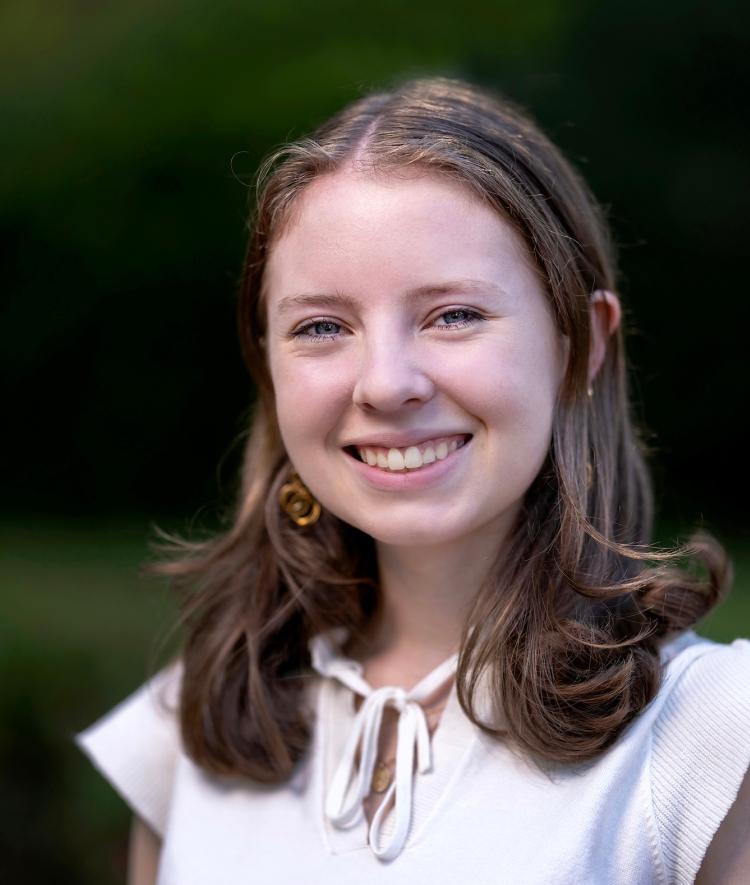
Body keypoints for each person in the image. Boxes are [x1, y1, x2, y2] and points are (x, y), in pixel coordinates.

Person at [76, 77, 750, 884]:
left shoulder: (709, 734)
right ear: (270, 367)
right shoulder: (193, 718)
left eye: (453, 314)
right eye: (322, 326)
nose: (387, 384)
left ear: (581, 342)